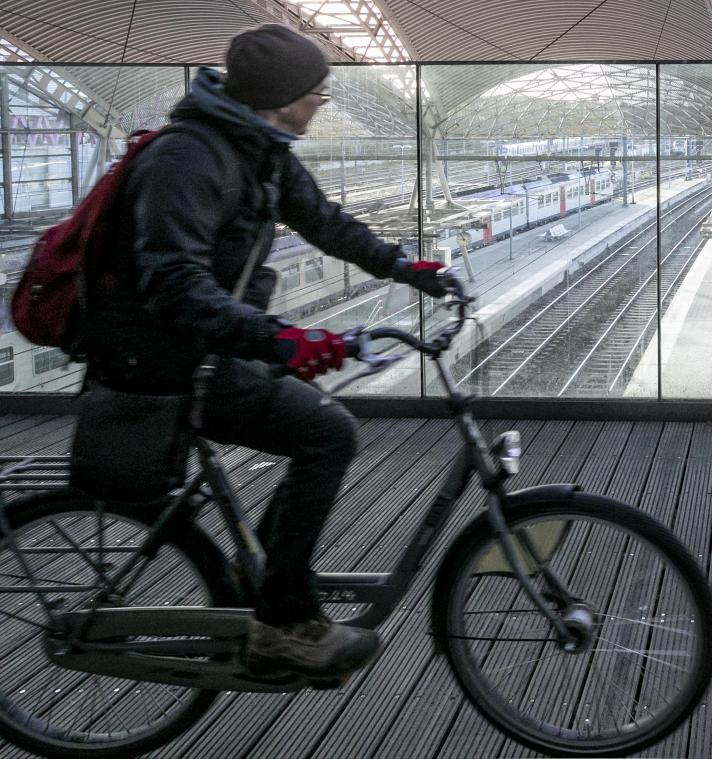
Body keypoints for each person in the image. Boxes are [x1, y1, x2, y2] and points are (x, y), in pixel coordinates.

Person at [83, 24, 450, 683]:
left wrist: (407, 267)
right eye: (318, 94)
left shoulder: (259, 149)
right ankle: (282, 622)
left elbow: (323, 221)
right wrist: (282, 339)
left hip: (206, 342)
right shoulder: (188, 159)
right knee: (327, 432)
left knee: (315, 419)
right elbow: (175, 286)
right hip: (164, 357)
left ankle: (273, 586)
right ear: (281, 97)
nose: (321, 104)